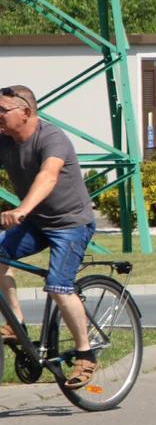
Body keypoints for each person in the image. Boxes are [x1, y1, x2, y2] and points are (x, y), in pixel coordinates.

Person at [0, 85, 99, 390]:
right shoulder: (4, 140)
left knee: (58, 285)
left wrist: (22, 209)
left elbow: (48, 175)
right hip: (36, 224)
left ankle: (86, 354)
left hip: (70, 224)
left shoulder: (52, 138)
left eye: (2, 111)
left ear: (25, 112)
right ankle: (16, 323)